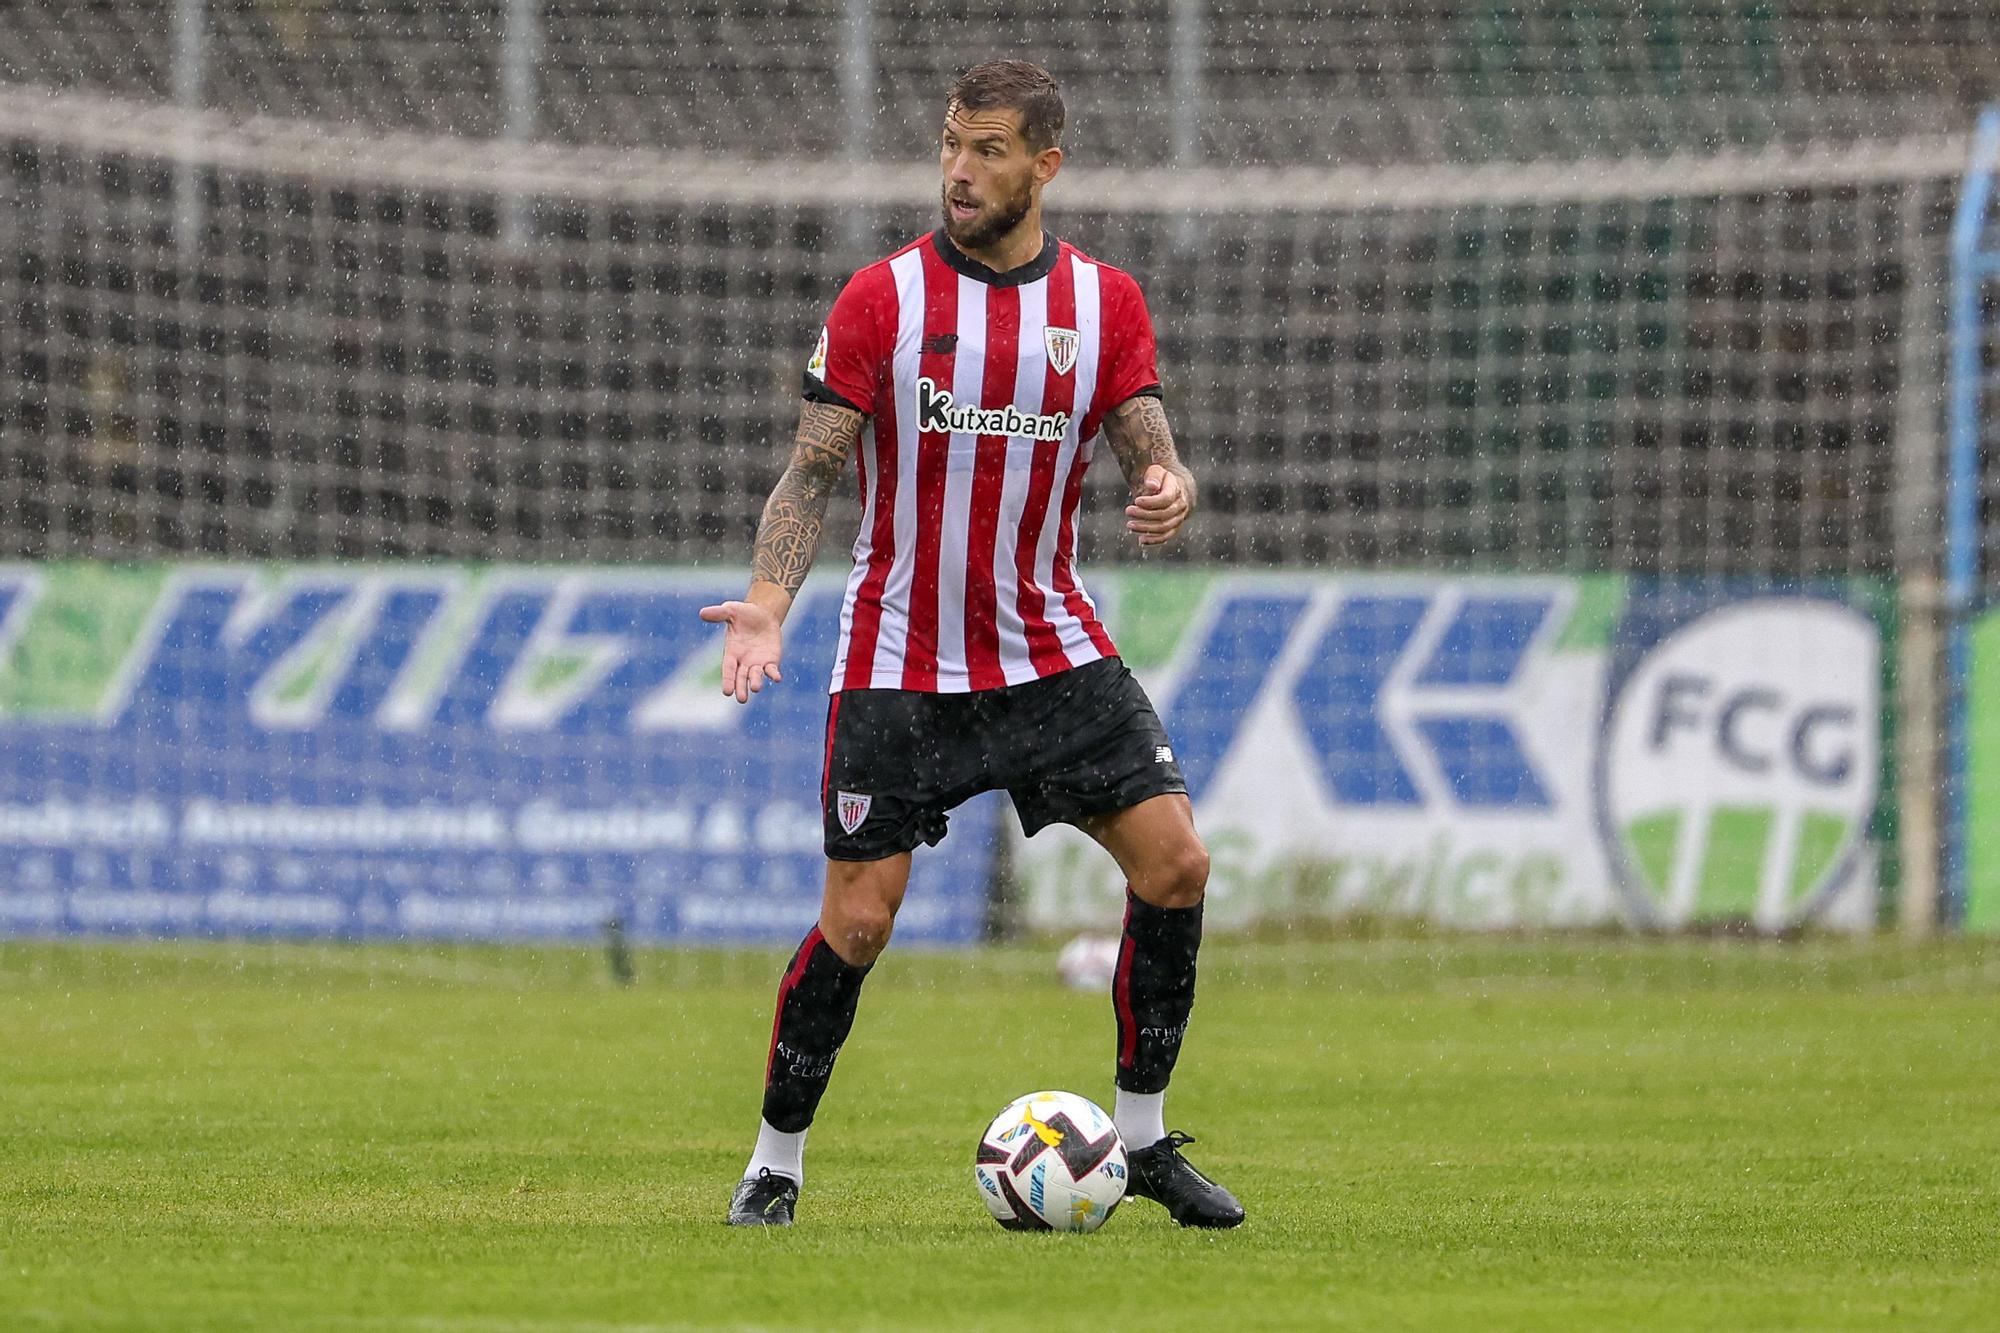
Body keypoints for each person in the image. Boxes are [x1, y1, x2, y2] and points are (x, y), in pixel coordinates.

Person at [700, 58, 1243, 1231]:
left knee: (1177, 867)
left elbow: (1146, 439)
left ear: (1043, 166)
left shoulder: (1103, 303)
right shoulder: (880, 299)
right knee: (856, 925)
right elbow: (813, 469)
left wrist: (1168, 482)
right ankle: (774, 1163)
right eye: (951, 142)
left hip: (1051, 654)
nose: (959, 168)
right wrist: (765, 600)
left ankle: (1140, 1143)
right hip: (901, 664)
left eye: (988, 148)